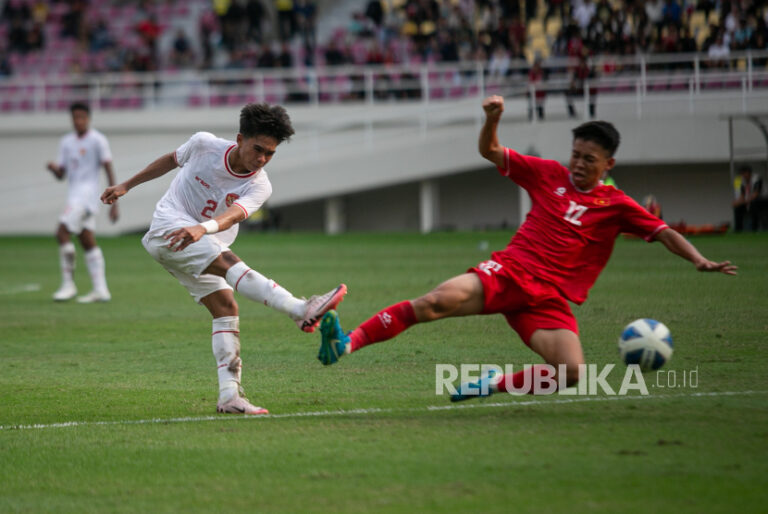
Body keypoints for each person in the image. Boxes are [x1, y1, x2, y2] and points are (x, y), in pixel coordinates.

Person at [315, 95, 736, 401]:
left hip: (548, 298)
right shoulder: (547, 173)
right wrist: (492, 119)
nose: (579, 163)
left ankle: (494, 384)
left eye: (590, 159)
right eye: (576, 154)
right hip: (509, 271)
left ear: (608, 164)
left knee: (570, 373)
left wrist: (698, 258)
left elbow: (663, 231)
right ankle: (346, 343)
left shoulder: (617, 205)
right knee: (434, 302)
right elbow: (491, 151)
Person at [100, 103, 346, 415]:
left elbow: (233, 216)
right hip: (168, 228)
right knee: (228, 265)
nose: (261, 159)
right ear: (240, 138)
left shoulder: (260, 183)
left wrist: (202, 229)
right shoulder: (204, 144)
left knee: (226, 309)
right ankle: (299, 309)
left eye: (270, 153)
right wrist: (126, 185)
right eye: (257, 149)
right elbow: (171, 160)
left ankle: (230, 395)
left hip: (203, 237)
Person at [47, 102, 118, 303]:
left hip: (86, 197)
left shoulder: (97, 140)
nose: (78, 121)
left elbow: (107, 167)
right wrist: (53, 168)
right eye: (75, 117)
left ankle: (68, 285)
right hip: (73, 195)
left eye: (82, 117)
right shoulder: (66, 142)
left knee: (61, 233)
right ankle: (101, 290)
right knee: (87, 241)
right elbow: (61, 174)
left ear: (88, 118)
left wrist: (115, 200)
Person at [732, 165, 764, 232]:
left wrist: (744, 201)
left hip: (761, 200)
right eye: (741, 174)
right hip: (747, 201)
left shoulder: (757, 178)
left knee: (754, 204)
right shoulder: (740, 180)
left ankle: (754, 229)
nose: (743, 176)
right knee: (737, 207)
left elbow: (756, 194)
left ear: (748, 173)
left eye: (744, 173)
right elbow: (742, 195)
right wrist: (737, 202)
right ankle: (738, 230)